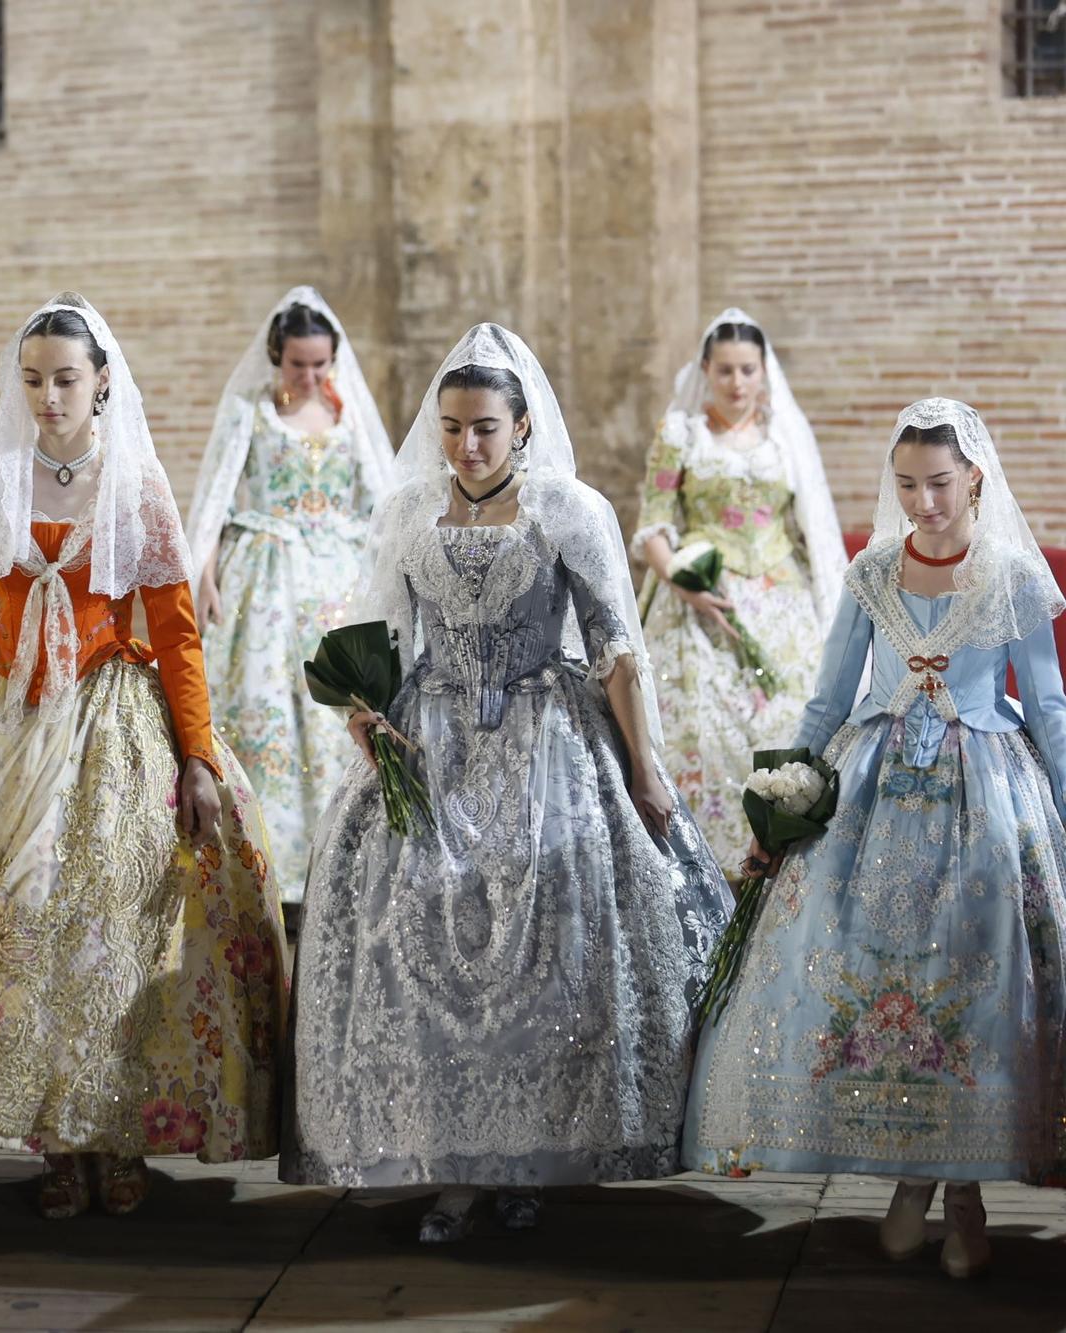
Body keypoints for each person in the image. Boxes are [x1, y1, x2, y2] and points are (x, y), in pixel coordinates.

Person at [281, 323, 731, 1243]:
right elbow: (381, 638)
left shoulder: (569, 509)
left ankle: (534, 1160)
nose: (465, 444)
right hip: (434, 739)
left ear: (522, 426)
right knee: (416, 937)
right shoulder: (408, 514)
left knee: (550, 944)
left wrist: (645, 770)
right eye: (450, 427)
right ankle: (449, 1164)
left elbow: (615, 645)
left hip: (547, 741)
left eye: (484, 426)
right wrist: (367, 717)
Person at [0, 294, 287, 1220]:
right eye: (34, 379)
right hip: (1, 723)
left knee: (106, 933)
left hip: (110, 723)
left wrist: (199, 758)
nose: (49, 395)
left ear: (101, 383)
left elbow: (177, 638)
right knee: (16, 925)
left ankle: (113, 1133)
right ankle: (52, 1141)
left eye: (66, 378)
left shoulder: (136, 489)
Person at [684, 398, 1066, 1280]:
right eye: (906, 485)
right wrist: (787, 801)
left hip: (984, 797)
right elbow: (826, 698)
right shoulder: (872, 573)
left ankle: (965, 1194)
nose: (923, 501)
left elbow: (1046, 707)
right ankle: (909, 1179)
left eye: (939, 483)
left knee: (967, 987)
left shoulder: (1011, 576)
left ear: (974, 477)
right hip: (873, 795)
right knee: (878, 982)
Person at [188, 288, 396, 901]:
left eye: (319, 364)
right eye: (297, 363)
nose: (308, 375)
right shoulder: (250, 411)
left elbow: (379, 502)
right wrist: (203, 569)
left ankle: (341, 862)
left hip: (337, 584)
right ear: (277, 356)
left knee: (339, 715)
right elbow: (214, 497)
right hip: (267, 581)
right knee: (268, 709)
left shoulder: (350, 414)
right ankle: (266, 864)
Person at [632, 310, 847, 870]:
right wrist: (686, 586)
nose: (736, 383)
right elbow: (653, 525)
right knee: (699, 737)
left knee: (789, 725)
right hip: (699, 604)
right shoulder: (681, 434)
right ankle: (702, 872)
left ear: (763, 371)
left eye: (747, 370)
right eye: (724, 370)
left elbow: (809, 527)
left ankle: (777, 859)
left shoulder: (784, 439)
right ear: (705, 370)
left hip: (782, 599)